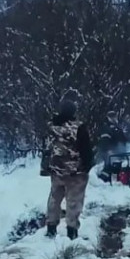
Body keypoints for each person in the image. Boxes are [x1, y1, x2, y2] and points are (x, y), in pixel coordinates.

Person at [40, 97, 94, 239]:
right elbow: (86, 150)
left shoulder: (52, 126)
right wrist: (87, 165)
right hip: (75, 172)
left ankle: (51, 228)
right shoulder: (79, 127)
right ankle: (72, 231)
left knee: (54, 199)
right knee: (74, 201)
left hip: (56, 170)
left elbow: (46, 147)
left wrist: (46, 166)